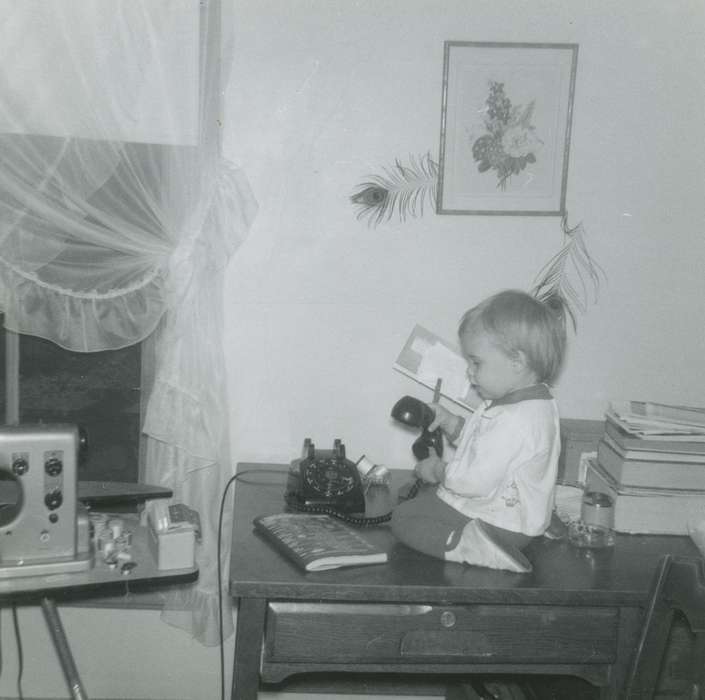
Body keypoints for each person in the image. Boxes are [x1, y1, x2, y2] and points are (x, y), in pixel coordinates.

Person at [390, 289, 567, 573]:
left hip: (497, 524)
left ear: (517, 362)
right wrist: (451, 424)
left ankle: (472, 548)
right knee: (425, 505)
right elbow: (487, 448)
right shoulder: (533, 404)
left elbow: (472, 482)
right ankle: (530, 527)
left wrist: (436, 470)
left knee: (404, 518)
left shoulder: (513, 420)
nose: (469, 372)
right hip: (519, 520)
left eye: (477, 362)